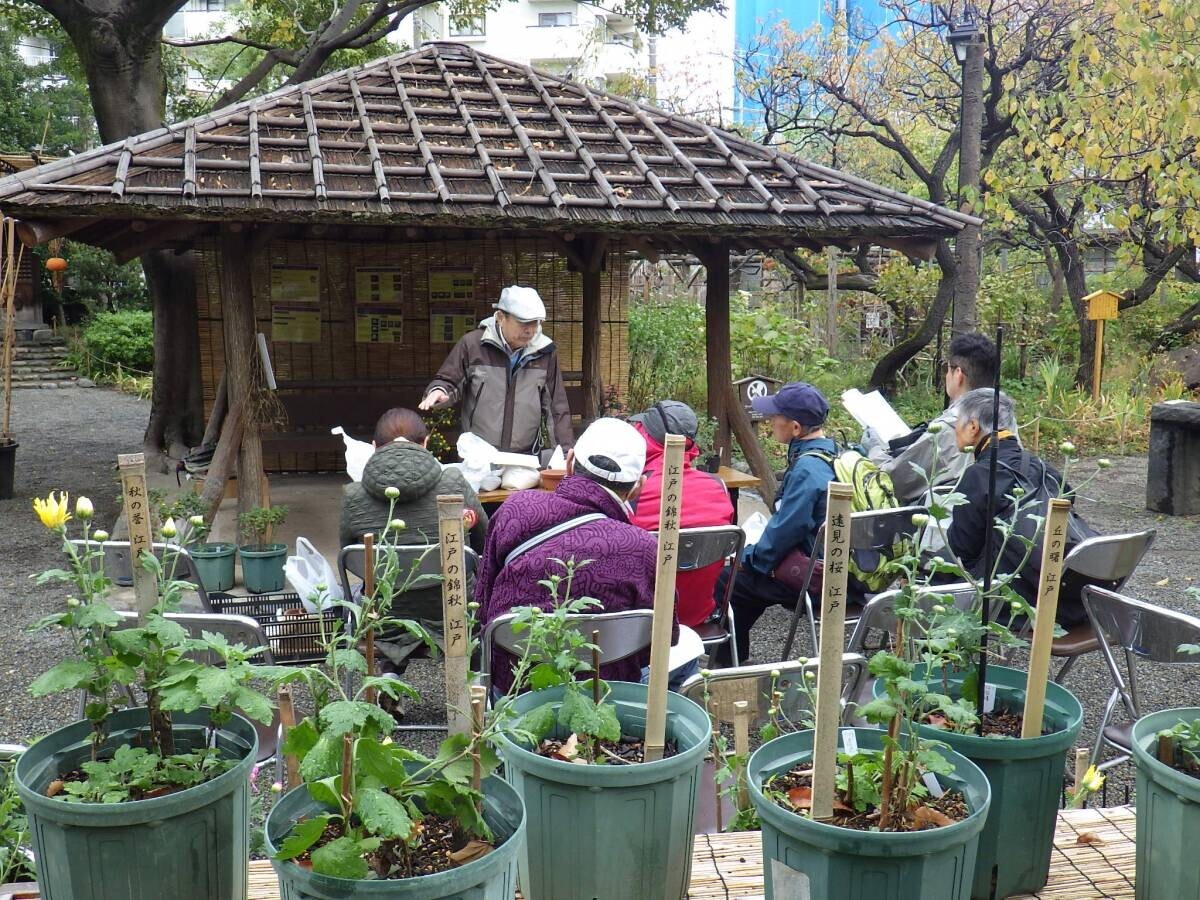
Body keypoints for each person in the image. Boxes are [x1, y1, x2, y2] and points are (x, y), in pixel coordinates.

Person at [476, 417, 679, 693]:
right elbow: (662, 638)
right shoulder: (644, 548)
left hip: (513, 690)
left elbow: (483, 604)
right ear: (638, 487)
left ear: (569, 462)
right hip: (606, 696)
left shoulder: (516, 509)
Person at [339, 407, 488, 674]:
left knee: (383, 585)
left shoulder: (354, 496)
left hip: (385, 619)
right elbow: (484, 542)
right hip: (453, 614)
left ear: (374, 447)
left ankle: (388, 678)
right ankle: (473, 683)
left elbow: (350, 557)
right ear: (425, 443)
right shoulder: (454, 482)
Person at [713, 383, 837, 666]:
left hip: (816, 578)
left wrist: (747, 558)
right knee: (749, 580)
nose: (769, 422)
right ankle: (732, 657)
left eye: (774, 417)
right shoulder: (834, 453)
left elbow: (785, 533)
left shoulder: (807, 470)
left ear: (795, 428)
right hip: (841, 568)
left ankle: (726, 664)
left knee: (730, 579)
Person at [946, 388, 1094, 626]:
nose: (955, 429)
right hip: (1068, 599)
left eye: (957, 423)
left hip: (1015, 604)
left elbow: (961, 551)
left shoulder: (980, 475)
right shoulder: (1042, 466)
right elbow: (1068, 498)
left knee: (930, 579)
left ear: (973, 427)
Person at [418, 285, 574, 456]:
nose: (530, 330)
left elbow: (556, 407)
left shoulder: (545, 351)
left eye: (535, 322)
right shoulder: (473, 344)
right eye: (523, 322)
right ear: (500, 317)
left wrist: (564, 454)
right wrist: (440, 390)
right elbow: (449, 379)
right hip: (477, 453)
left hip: (525, 455)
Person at [627, 400, 735, 628]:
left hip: (642, 623)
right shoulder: (718, 489)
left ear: (644, 437)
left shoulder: (634, 494)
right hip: (699, 618)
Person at [867, 332, 1001, 504]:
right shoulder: (1005, 421)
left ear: (958, 374)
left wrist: (873, 450)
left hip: (940, 524)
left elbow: (894, 480)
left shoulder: (951, 427)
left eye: (948, 368)